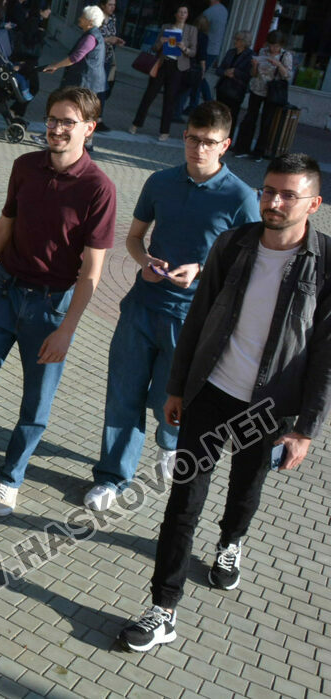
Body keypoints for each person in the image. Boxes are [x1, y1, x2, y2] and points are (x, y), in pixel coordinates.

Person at [118, 153, 328, 654]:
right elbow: (198, 318)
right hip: (211, 391)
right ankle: (164, 609)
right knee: (183, 501)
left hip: (270, 405)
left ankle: (231, 542)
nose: (274, 202)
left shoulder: (326, 264)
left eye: (289, 195)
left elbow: (325, 352)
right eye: (269, 191)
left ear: (314, 204)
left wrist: (306, 429)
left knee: (245, 487)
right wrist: (176, 387)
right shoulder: (233, 244)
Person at [84, 102, 259, 512]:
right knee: (123, 395)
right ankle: (112, 477)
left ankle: (169, 446)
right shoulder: (160, 182)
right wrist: (145, 261)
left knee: (172, 401)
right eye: (193, 139)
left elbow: (248, 264)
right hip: (141, 308)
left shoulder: (240, 197)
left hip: (193, 320)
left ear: (226, 145)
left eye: (210, 142)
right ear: (184, 137)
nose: (199, 149)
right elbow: (134, 238)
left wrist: (200, 271)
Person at [0, 87, 116, 517]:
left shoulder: (99, 188)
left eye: (68, 122)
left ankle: (10, 479)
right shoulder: (25, 166)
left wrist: (67, 330)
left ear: (89, 128)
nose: (56, 129)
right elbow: (4, 226)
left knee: (36, 404)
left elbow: (92, 272)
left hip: (50, 307)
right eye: (53, 119)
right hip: (2, 291)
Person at [130, 4, 197, 141]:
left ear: (187, 15)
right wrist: (160, 42)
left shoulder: (191, 30)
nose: (182, 14)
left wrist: (184, 48)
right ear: (175, 14)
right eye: (180, 12)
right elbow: (155, 48)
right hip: (162, 64)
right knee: (149, 95)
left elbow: (193, 52)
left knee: (169, 99)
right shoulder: (166, 27)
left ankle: (164, 131)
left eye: (185, 12)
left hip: (177, 67)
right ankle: (136, 124)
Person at [232, 30, 293, 160]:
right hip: (257, 88)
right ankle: (242, 148)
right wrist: (255, 66)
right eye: (271, 45)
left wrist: (278, 64)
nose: (273, 48)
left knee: (267, 122)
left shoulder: (285, 55)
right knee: (250, 118)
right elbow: (254, 74)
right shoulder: (262, 52)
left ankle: (259, 152)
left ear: (281, 45)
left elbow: (287, 76)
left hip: (272, 92)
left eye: (276, 46)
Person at [42, 4, 106, 100]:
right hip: (86, 82)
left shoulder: (91, 37)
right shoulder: (93, 34)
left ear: (90, 21)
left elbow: (76, 57)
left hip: (85, 83)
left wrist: (56, 66)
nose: (79, 19)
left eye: (83, 17)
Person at [187, 0, 229, 112]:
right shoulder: (224, 10)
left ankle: (200, 103)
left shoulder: (209, 12)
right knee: (200, 76)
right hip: (214, 48)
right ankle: (205, 103)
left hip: (206, 48)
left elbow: (200, 28)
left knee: (197, 76)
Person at [215, 31, 254, 142]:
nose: (235, 41)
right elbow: (219, 69)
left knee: (232, 116)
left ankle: (227, 138)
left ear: (244, 42)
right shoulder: (230, 52)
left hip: (236, 90)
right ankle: (216, 135)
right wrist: (225, 72)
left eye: (238, 39)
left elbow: (249, 75)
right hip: (223, 86)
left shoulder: (250, 56)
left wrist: (235, 72)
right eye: (235, 38)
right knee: (219, 114)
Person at [96, 0, 125, 125]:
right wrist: (108, 39)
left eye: (114, 5)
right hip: (96, 57)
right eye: (110, 5)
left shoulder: (113, 18)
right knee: (95, 88)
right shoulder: (96, 18)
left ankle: (98, 117)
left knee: (104, 88)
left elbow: (112, 34)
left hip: (107, 57)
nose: (113, 7)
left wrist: (116, 41)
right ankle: (95, 117)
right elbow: (91, 38)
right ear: (103, 5)